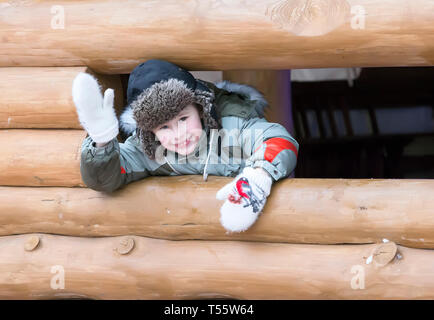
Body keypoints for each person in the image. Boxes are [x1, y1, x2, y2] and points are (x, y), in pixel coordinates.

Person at [72, 59, 298, 233]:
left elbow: (278, 140)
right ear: (150, 132)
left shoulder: (232, 127)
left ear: (200, 107)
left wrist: (256, 179)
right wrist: (101, 141)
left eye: (183, 119)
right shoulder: (149, 149)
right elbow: (107, 178)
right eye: (164, 127)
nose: (179, 134)